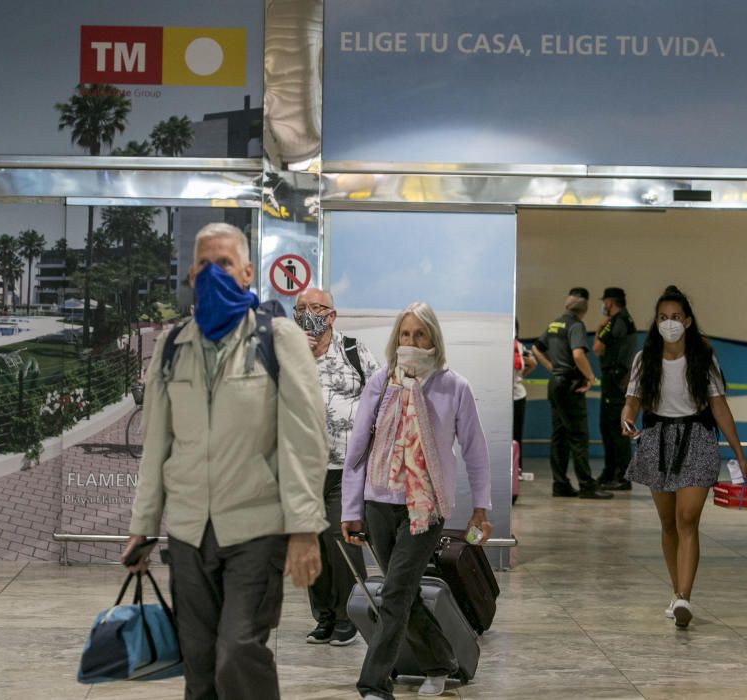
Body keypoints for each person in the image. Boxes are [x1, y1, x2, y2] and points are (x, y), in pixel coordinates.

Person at [122, 223, 328, 700]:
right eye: (206, 265)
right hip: (190, 531)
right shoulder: (173, 347)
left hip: (255, 529)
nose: (216, 274)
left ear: (247, 273)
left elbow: (304, 441)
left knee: (238, 649)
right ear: (193, 274)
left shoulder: (277, 340)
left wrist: (304, 530)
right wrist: (144, 524)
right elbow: (156, 444)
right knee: (199, 665)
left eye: (226, 264)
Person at [341, 301, 492, 700]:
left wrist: (481, 507)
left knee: (394, 593)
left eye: (419, 334)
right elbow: (357, 451)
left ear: (433, 339)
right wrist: (351, 510)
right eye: (405, 334)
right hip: (378, 502)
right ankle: (441, 662)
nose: (411, 342)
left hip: (425, 508)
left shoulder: (453, 386)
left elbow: (475, 451)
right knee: (400, 592)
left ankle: (373, 683)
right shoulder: (381, 383)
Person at [622, 285, 747, 629]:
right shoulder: (644, 358)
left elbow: (719, 407)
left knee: (687, 517)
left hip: (696, 438)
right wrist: (627, 417)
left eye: (676, 317)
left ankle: (684, 596)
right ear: (655, 322)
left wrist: (739, 453)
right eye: (663, 317)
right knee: (668, 523)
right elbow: (633, 399)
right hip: (657, 439)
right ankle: (676, 591)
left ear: (689, 322)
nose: (669, 323)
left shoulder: (703, 357)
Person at [293, 286, 379, 647]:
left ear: (332, 315)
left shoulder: (353, 350)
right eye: (301, 308)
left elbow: (381, 394)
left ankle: (349, 616)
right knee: (310, 544)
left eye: (316, 307)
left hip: (346, 466)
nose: (308, 313)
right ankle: (325, 616)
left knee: (340, 542)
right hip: (301, 466)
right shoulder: (286, 353)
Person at [533, 288, 613, 499]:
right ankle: (587, 485)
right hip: (570, 386)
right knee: (578, 436)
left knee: (559, 437)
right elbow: (578, 354)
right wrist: (590, 376)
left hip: (555, 384)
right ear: (584, 308)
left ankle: (560, 484)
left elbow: (536, 348)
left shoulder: (554, 324)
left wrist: (551, 367)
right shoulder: (576, 326)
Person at [593, 287, 638, 490]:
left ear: (610, 303)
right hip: (616, 380)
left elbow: (597, 348)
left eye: (605, 302)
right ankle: (610, 472)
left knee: (615, 429)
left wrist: (598, 329)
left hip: (616, 381)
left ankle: (621, 476)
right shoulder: (625, 320)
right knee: (608, 427)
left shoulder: (616, 322)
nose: (603, 306)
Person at [513, 319, 537, 471]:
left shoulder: (521, 348)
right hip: (500, 398)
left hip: (517, 396)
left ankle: (517, 468)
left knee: (516, 434)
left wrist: (521, 377)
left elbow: (533, 363)